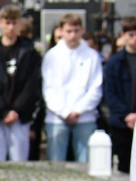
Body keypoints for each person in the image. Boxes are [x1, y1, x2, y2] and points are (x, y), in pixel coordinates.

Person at [0, 5, 42, 161]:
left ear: (20, 24)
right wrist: (2, 110)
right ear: (0, 23)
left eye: (14, 23)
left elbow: (31, 84)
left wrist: (16, 110)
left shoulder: (29, 52)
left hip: (19, 116)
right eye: (7, 23)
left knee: (19, 160)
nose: (11, 27)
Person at [42, 13, 103, 163]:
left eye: (76, 31)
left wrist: (78, 111)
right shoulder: (52, 56)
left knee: (85, 163)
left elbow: (96, 87)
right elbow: (48, 89)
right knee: (56, 163)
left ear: (82, 30)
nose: (73, 35)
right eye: (69, 31)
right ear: (61, 31)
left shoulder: (92, 56)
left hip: (85, 116)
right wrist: (64, 112)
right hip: (57, 117)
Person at [103, 15, 136, 173]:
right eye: (131, 35)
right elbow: (110, 93)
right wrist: (127, 115)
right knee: (123, 166)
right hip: (121, 122)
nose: (135, 39)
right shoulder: (114, 63)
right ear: (123, 36)